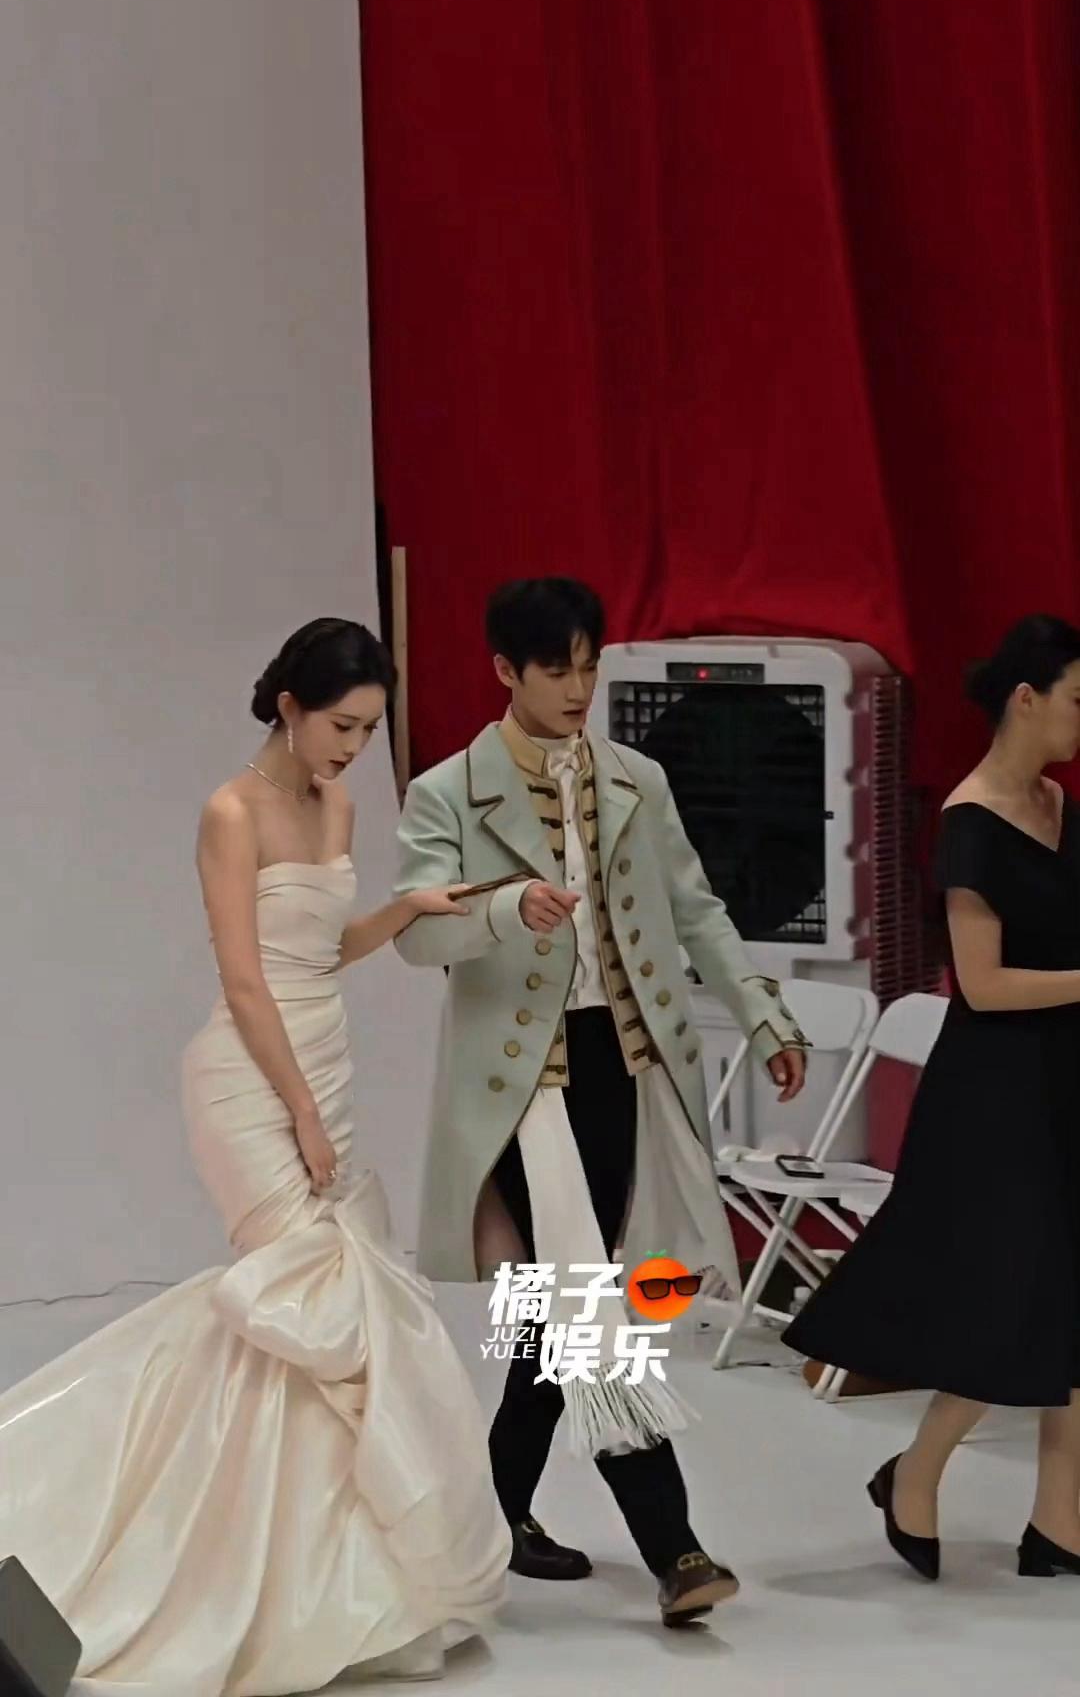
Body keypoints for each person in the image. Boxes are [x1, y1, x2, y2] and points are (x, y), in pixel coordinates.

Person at [0, 618, 510, 1692]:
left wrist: (402, 911)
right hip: (248, 1079)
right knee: (306, 1298)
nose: (351, 750)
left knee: (304, 1322)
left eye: (368, 732)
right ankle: (123, 1521)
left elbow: (320, 953)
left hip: (322, 1064)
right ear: (288, 706)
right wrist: (301, 1114)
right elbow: (244, 980)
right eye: (341, 726)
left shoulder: (338, 806)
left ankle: (308, 1571)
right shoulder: (231, 812)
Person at [393, 577, 809, 1627]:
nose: (579, 688)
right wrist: (503, 910)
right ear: (505, 671)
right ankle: (675, 1547)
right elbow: (416, 934)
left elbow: (696, 909)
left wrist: (764, 1017)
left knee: (549, 1318)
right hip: (525, 1087)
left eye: (590, 665)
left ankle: (485, 1520)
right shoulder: (448, 792)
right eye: (556, 669)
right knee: (588, 1307)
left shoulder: (636, 778)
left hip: (624, 1068)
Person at [784, 613, 1080, 1583]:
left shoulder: (1059, 805)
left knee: (1068, 1302)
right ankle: (915, 1471)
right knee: (1009, 1302)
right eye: (1078, 700)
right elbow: (983, 986)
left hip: (1064, 1077)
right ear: (1027, 700)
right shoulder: (969, 824)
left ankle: (1061, 1523)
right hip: (996, 1094)